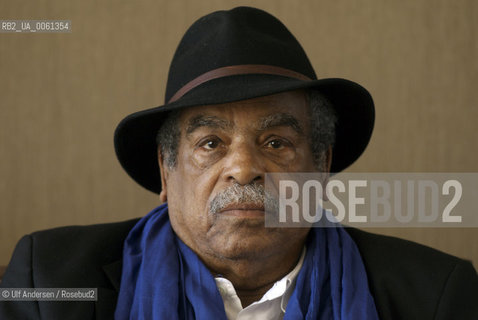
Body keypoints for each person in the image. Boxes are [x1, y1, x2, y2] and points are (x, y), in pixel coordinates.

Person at [1, 6, 477, 320]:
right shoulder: (48, 284)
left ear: (322, 167)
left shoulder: (436, 296)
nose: (244, 167)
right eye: (211, 143)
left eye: (276, 142)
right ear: (166, 172)